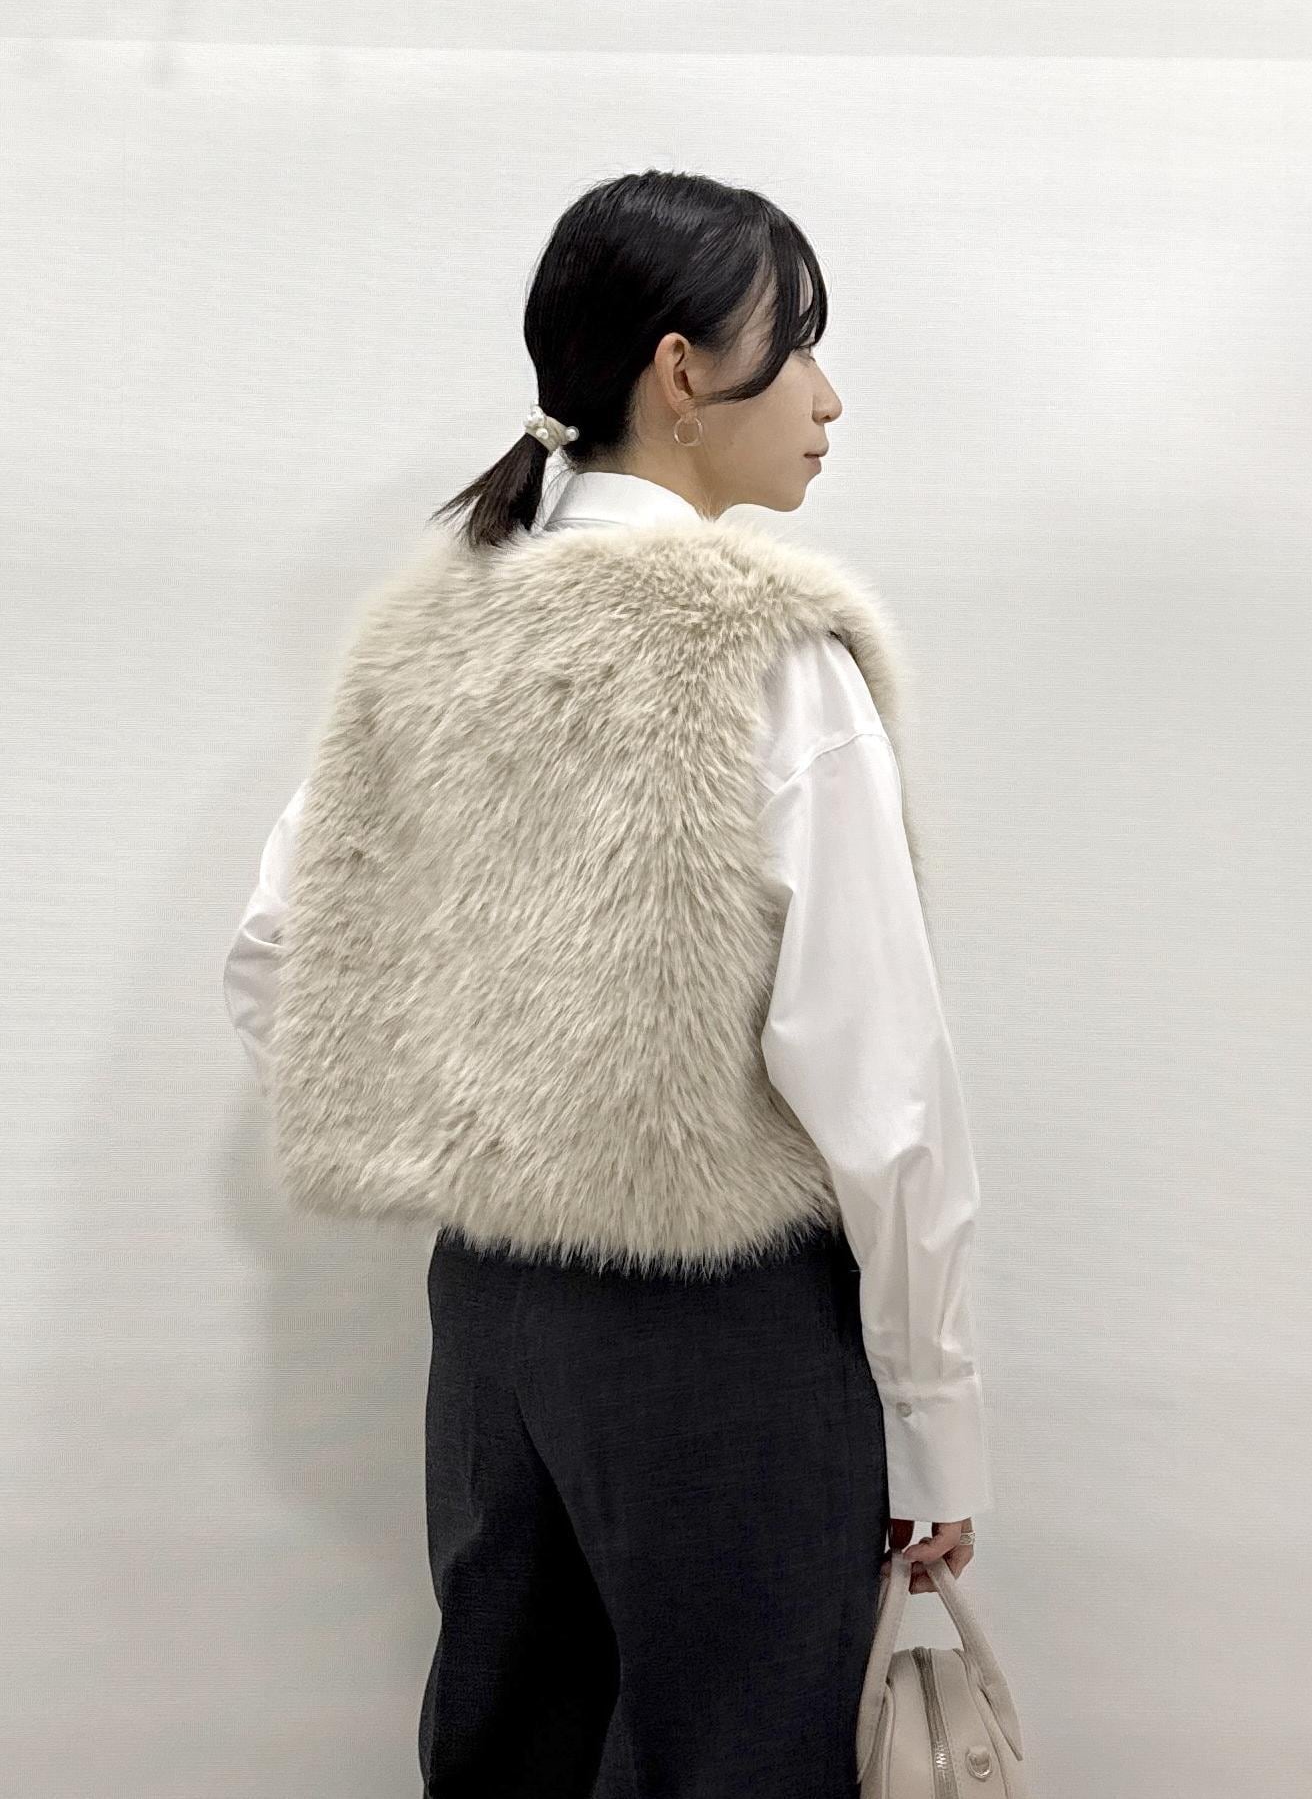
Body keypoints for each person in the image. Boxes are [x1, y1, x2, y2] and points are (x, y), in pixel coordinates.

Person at [223, 168, 992, 1798]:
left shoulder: (435, 634)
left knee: (509, 1748)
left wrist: (486, 1121)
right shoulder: (767, 656)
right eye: (799, 347)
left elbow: (283, 951)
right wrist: (932, 1417)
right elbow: (885, 1087)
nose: (828, 398)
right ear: (681, 370)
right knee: (740, 1759)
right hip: (719, 1333)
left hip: (491, 1322)